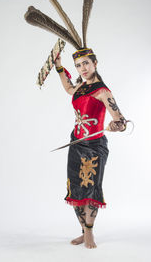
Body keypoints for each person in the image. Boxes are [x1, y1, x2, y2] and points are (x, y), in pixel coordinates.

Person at [51, 48, 127, 249]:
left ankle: (90, 232)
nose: (82, 68)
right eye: (78, 65)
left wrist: (114, 125)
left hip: (94, 147)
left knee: (91, 189)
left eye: (86, 63)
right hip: (76, 143)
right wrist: (59, 66)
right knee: (76, 188)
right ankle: (84, 232)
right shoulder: (81, 87)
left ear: (95, 63)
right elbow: (69, 88)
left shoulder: (103, 91)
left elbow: (121, 121)